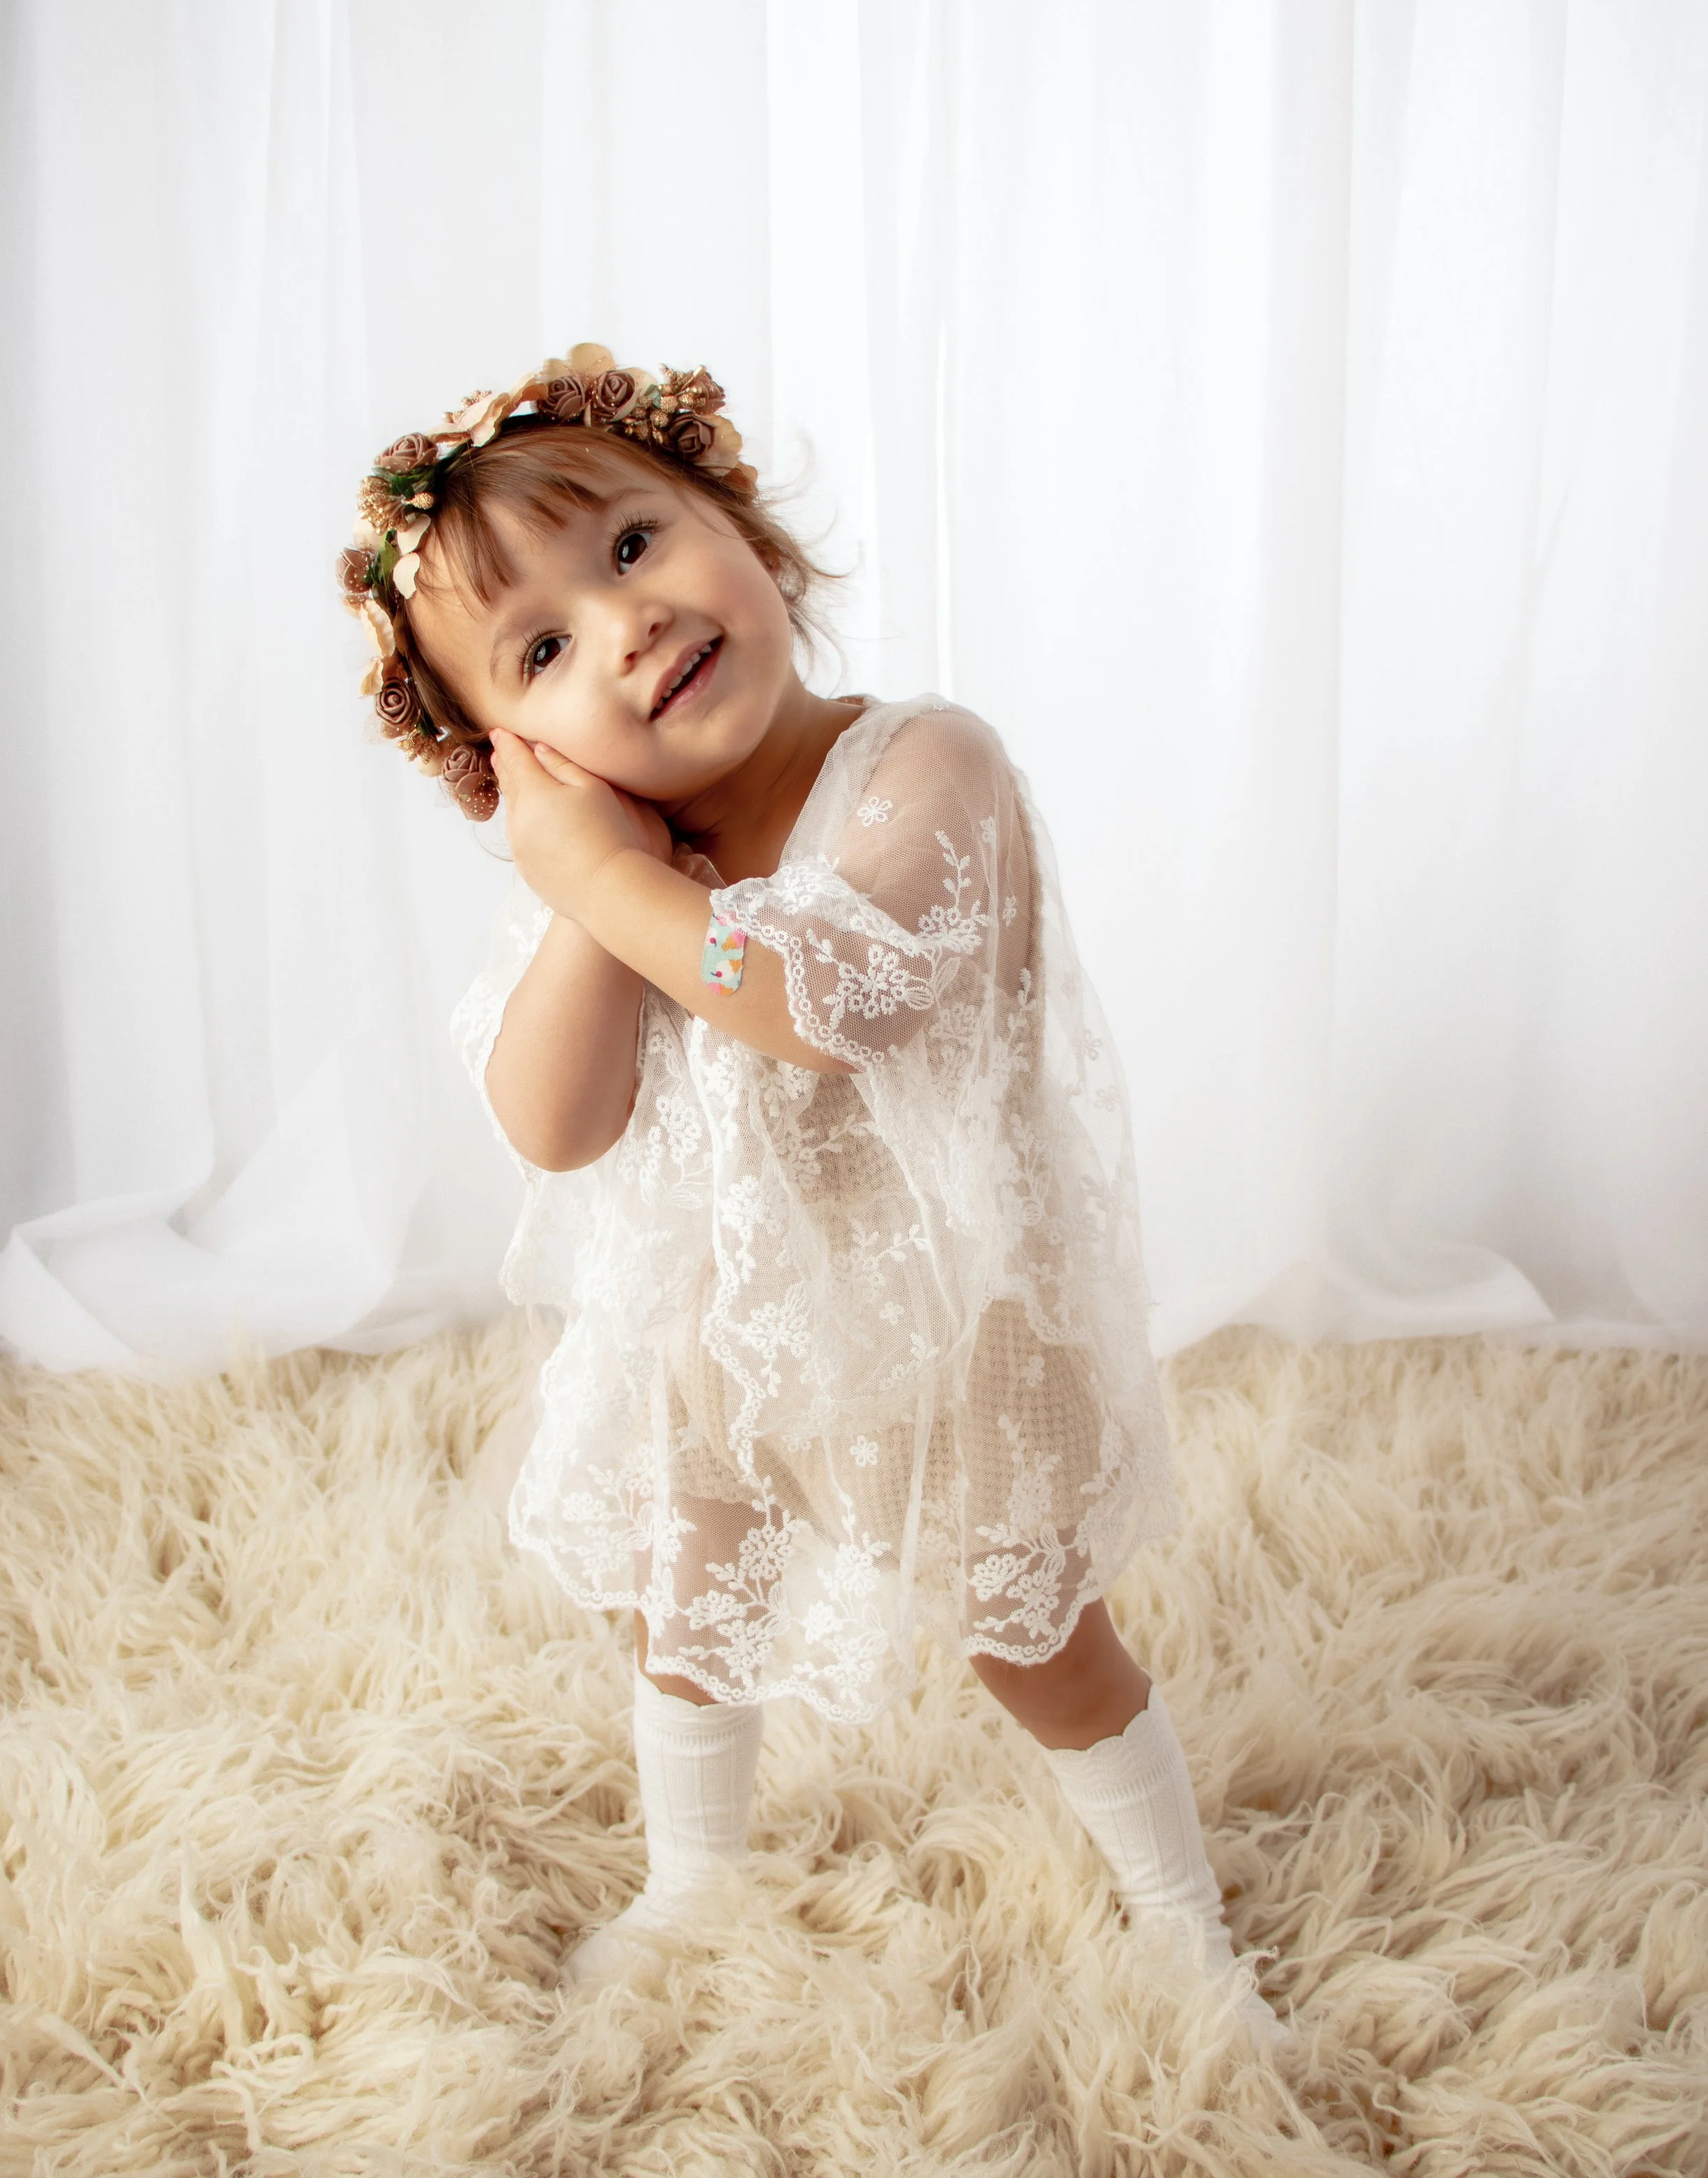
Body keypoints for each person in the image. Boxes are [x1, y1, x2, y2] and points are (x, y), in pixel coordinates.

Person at [337, 346, 1292, 2050]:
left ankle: (1179, 1919)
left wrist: (612, 876)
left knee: (1034, 1638)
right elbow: (555, 1125)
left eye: (632, 547)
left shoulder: (928, 767)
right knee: (681, 1601)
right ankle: (689, 1875)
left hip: (956, 1329)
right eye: (541, 651)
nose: (620, 627)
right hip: (727, 1329)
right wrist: (583, 889)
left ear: (747, 533)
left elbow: (821, 999)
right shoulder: (617, 878)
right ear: (513, 754)